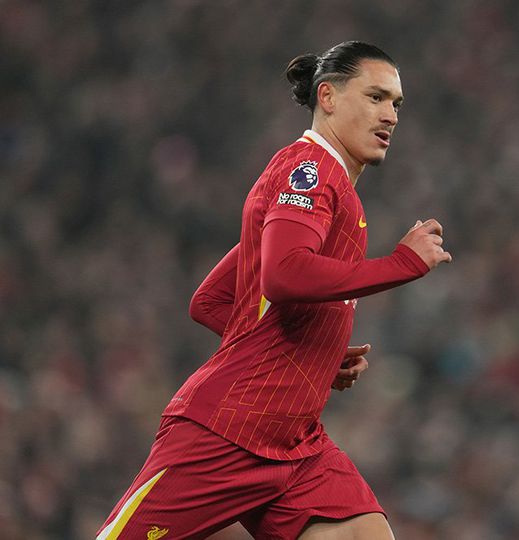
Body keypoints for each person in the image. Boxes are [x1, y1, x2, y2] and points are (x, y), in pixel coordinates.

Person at [96, 41, 451, 540]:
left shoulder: (332, 189)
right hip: (230, 430)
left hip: (296, 444)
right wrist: (401, 265)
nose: (390, 115)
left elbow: (212, 300)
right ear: (327, 96)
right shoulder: (309, 171)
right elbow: (284, 275)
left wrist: (312, 354)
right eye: (375, 97)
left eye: (396, 103)